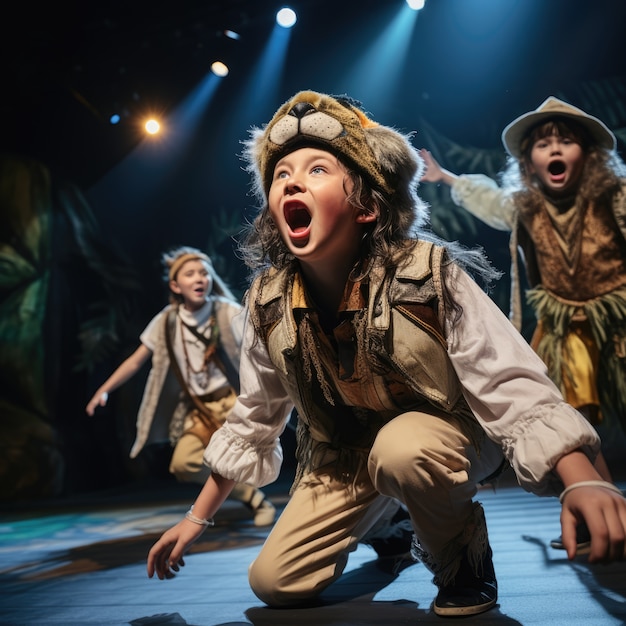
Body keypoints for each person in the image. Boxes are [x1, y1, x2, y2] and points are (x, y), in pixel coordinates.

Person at [146, 91, 626, 618]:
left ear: (368, 205)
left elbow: (511, 382)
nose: (293, 182)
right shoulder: (267, 303)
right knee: (275, 584)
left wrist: (583, 477)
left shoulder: (428, 275)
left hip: (446, 436)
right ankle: (393, 520)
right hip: (344, 455)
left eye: (318, 168)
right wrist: (196, 519)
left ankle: (460, 554)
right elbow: (254, 418)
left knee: (402, 450)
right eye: (281, 174)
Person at [419, 97, 626, 493]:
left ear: (589, 155)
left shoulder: (614, 196)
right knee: (572, 409)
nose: (554, 150)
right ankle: (599, 498)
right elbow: (491, 201)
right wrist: (445, 177)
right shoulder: (525, 207)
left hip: (618, 318)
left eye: (566, 141)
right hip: (566, 327)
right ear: (529, 163)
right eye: (544, 145)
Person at [86, 246, 276, 527]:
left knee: (242, 457)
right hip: (198, 407)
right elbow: (136, 361)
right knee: (183, 463)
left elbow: (255, 344)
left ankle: (258, 502)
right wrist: (104, 389)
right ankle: (251, 496)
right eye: (190, 274)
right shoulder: (166, 321)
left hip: (230, 401)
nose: (199, 279)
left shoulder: (226, 312)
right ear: (175, 285)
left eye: (203, 273)